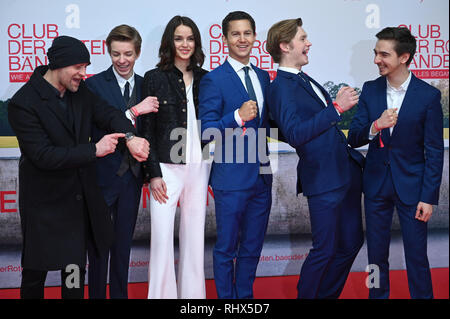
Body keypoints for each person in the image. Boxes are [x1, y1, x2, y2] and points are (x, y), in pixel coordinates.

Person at [7, 35, 150, 299]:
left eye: (86, 67)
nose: (83, 74)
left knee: (73, 274)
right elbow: (43, 155)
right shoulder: (23, 104)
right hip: (43, 205)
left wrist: (130, 137)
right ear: (60, 65)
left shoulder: (80, 92)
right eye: (79, 67)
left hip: (78, 201)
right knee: (34, 275)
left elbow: (109, 114)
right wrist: (94, 149)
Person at [266, 18, 364, 299]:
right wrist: (336, 107)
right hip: (322, 178)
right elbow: (295, 133)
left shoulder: (302, 78)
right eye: (303, 38)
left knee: (350, 243)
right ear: (285, 46)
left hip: (344, 172)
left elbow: (299, 128)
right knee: (325, 249)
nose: (309, 43)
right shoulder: (282, 86)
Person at [348, 27, 444, 299]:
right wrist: (376, 125)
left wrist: (429, 197)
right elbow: (354, 137)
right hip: (376, 186)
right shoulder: (369, 89)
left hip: (413, 190)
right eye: (376, 53)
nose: (377, 59)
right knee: (376, 257)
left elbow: (435, 151)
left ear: (404, 57)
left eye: (384, 54)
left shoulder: (428, 96)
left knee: (417, 256)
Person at [198, 11, 273, 299]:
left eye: (247, 33)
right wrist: (237, 117)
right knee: (226, 248)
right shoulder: (214, 80)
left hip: (262, 177)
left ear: (255, 36)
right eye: (235, 34)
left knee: (252, 247)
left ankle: (245, 298)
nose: (242, 39)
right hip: (230, 179)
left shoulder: (264, 77)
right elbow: (206, 133)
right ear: (225, 38)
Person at [85, 25, 158, 299]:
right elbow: (100, 126)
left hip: (132, 179)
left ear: (137, 53)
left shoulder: (145, 86)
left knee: (123, 246)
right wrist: (133, 111)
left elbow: (151, 133)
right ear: (109, 53)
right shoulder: (93, 85)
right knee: (98, 246)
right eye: (116, 54)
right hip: (101, 177)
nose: (122, 60)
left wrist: (152, 174)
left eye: (128, 53)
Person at [141, 16, 209, 299]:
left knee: (195, 242)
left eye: (190, 38)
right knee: (161, 241)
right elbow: (146, 130)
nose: (185, 44)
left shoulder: (208, 78)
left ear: (197, 43)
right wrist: (153, 173)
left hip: (200, 166)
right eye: (179, 38)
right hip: (166, 169)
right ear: (169, 42)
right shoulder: (154, 78)